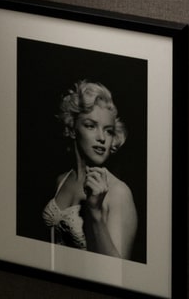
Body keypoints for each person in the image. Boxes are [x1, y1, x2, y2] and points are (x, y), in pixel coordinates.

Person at [42, 80, 138, 259]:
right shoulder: (62, 180)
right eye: (91, 126)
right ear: (72, 129)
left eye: (108, 131)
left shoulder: (119, 192)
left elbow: (116, 271)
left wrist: (95, 213)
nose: (102, 138)